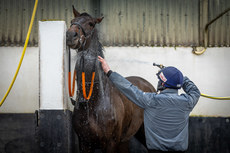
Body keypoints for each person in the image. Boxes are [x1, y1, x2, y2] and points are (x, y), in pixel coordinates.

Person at [98, 56, 201, 153]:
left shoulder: (150, 100)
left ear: (163, 84)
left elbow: (128, 88)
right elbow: (195, 91)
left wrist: (109, 72)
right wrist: (180, 78)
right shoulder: (187, 102)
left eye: (160, 80)